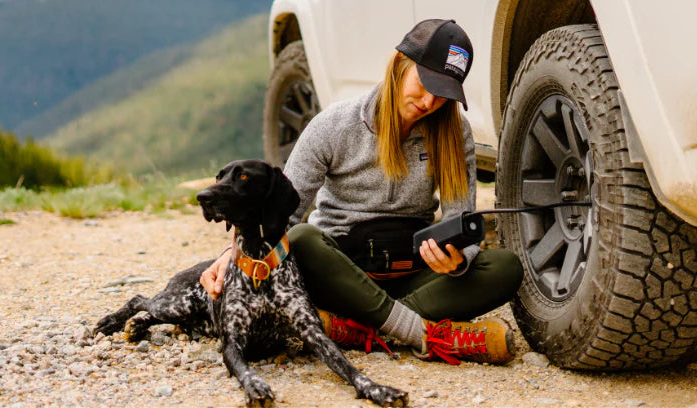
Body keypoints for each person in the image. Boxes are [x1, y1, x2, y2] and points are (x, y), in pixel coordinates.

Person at [201, 19, 524, 364]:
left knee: (505, 268)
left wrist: (459, 261)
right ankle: (426, 334)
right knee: (304, 237)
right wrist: (233, 253)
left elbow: (462, 220)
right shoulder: (334, 125)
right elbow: (282, 212)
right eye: (425, 83)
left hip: (413, 276)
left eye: (443, 93)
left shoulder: (454, 132)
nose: (430, 101)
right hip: (337, 277)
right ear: (400, 64)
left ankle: (356, 329)